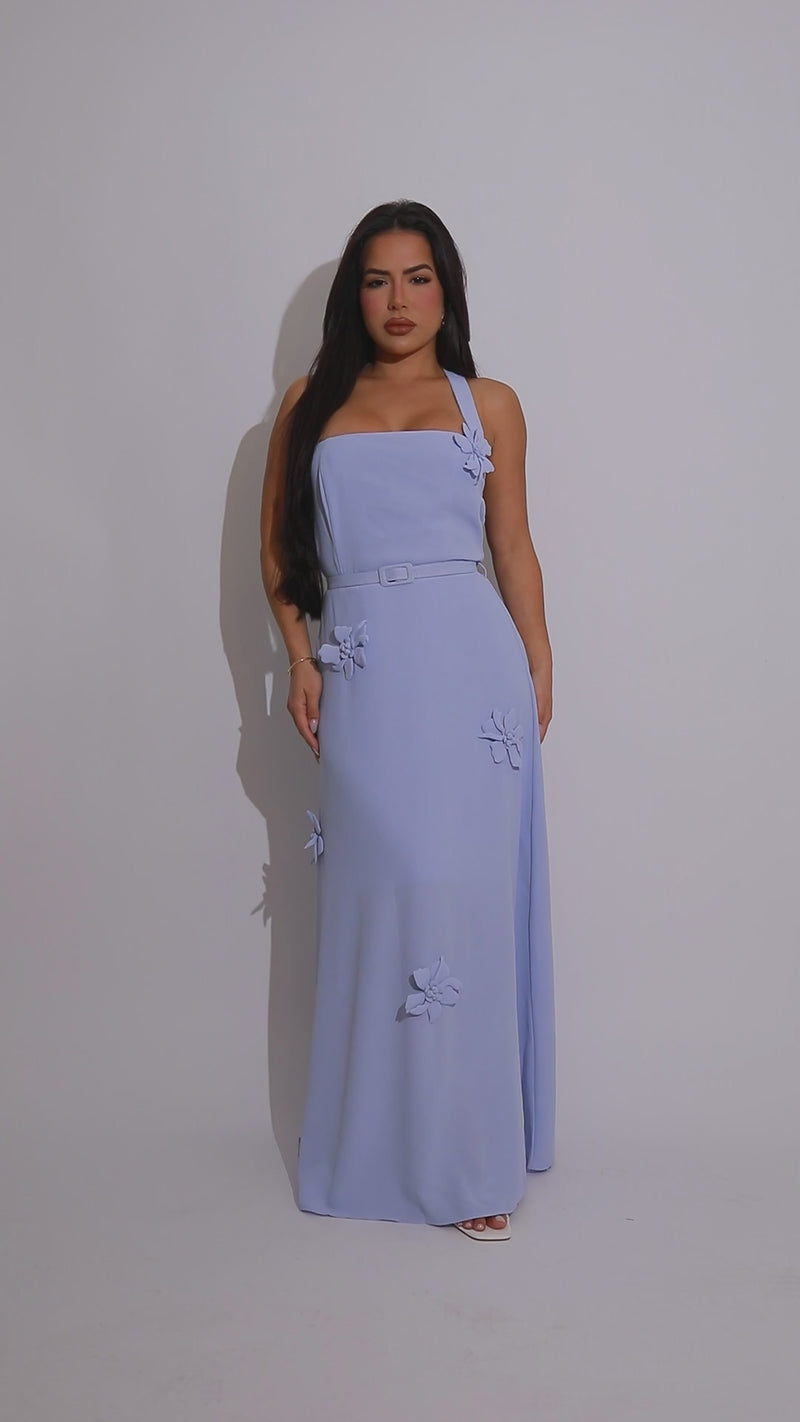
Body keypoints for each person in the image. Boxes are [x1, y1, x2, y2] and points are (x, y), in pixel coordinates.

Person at [260, 199, 555, 1241]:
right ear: (355, 294)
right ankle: (373, 1150)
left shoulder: (489, 403)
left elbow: (511, 548)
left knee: (460, 896)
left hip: (472, 673)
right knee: (383, 892)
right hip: (365, 673)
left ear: (445, 290)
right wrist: (300, 658)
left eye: (418, 277)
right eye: (378, 279)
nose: (398, 299)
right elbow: (278, 548)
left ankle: (468, 1160)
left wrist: (538, 661)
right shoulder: (309, 403)